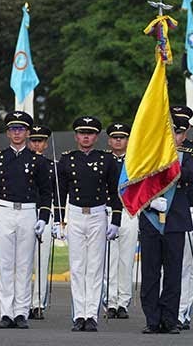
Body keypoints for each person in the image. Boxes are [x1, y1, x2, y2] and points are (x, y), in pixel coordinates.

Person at [54, 115, 122, 332]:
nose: (86, 136)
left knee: (94, 266)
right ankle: (79, 314)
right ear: (76, 136)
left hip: (97, 214)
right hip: (74, 214)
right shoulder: (67, 159)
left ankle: (91, 314)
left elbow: (115, 191)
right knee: (77, 266)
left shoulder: (107, 159)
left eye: (90, 133)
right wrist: (58, 221)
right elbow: (59, 192)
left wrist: (116, 220)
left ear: (96, 136)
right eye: (82, 133)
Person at [0, 110, 54, 329]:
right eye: (13, 129)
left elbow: (46, 192)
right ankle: (6, 312)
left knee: (24, 265)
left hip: (28, 212)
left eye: (21, 129)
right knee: (6, 264)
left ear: (27, 133)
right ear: (8, 133)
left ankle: (21, 312)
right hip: (5, 210)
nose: (17, 133)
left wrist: (43, 217)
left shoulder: (37, 160)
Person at [139, 109, 193, 334]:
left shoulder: (188, 154)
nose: (173, 136)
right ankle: (152, 319)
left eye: (177, 133)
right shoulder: (146, 154)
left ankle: (170, 319)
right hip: (150, 218)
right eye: (169, 132)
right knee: (150, 272)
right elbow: (134, 184)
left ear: (183, 136)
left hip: (175, 221)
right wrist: (149, 203)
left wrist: (170, 165)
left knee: (173, 273)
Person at [171, 104, 193, 330]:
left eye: (181, 128)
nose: (177, 133)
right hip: (162, 212)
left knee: (186, 267)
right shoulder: (156, 148)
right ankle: (169, 310)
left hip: (187, 211)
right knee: (167, 266)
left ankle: (182, 312)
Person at [105, 121, 139, 319]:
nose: (118, 141)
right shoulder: (103, 160)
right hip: (108, 211)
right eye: (115, 138)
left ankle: (123, 302)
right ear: (109, 140)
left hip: (129, 212)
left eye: (122, 138)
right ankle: (110, 300)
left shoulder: (135, 161)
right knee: (110, 259)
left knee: (126, 259)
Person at [27, 125, 55, 320]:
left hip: (44, 214)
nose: (37, 144)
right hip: (24, 212)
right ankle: (22, 301)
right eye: (34, 140)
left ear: (45, 144)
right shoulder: (20, 162)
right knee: (22, 262)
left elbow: (57, 194)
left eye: (40, 141)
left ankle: (37, 303)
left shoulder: (53, 165)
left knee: (41, 260)